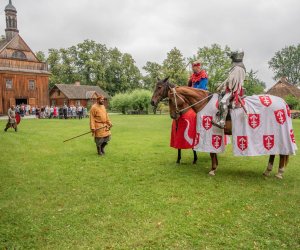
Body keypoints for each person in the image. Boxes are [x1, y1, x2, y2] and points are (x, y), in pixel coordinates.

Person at [214, 49, 246, 128]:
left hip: (234, 90)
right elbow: (229, 79)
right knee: (220, 95)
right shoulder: (236, 66)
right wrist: (220, 86)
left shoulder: (239, 67)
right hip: (231, 88)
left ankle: (222, 121)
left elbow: (232, 81)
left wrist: (223, 86)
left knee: (223, 102)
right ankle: (220, 112)